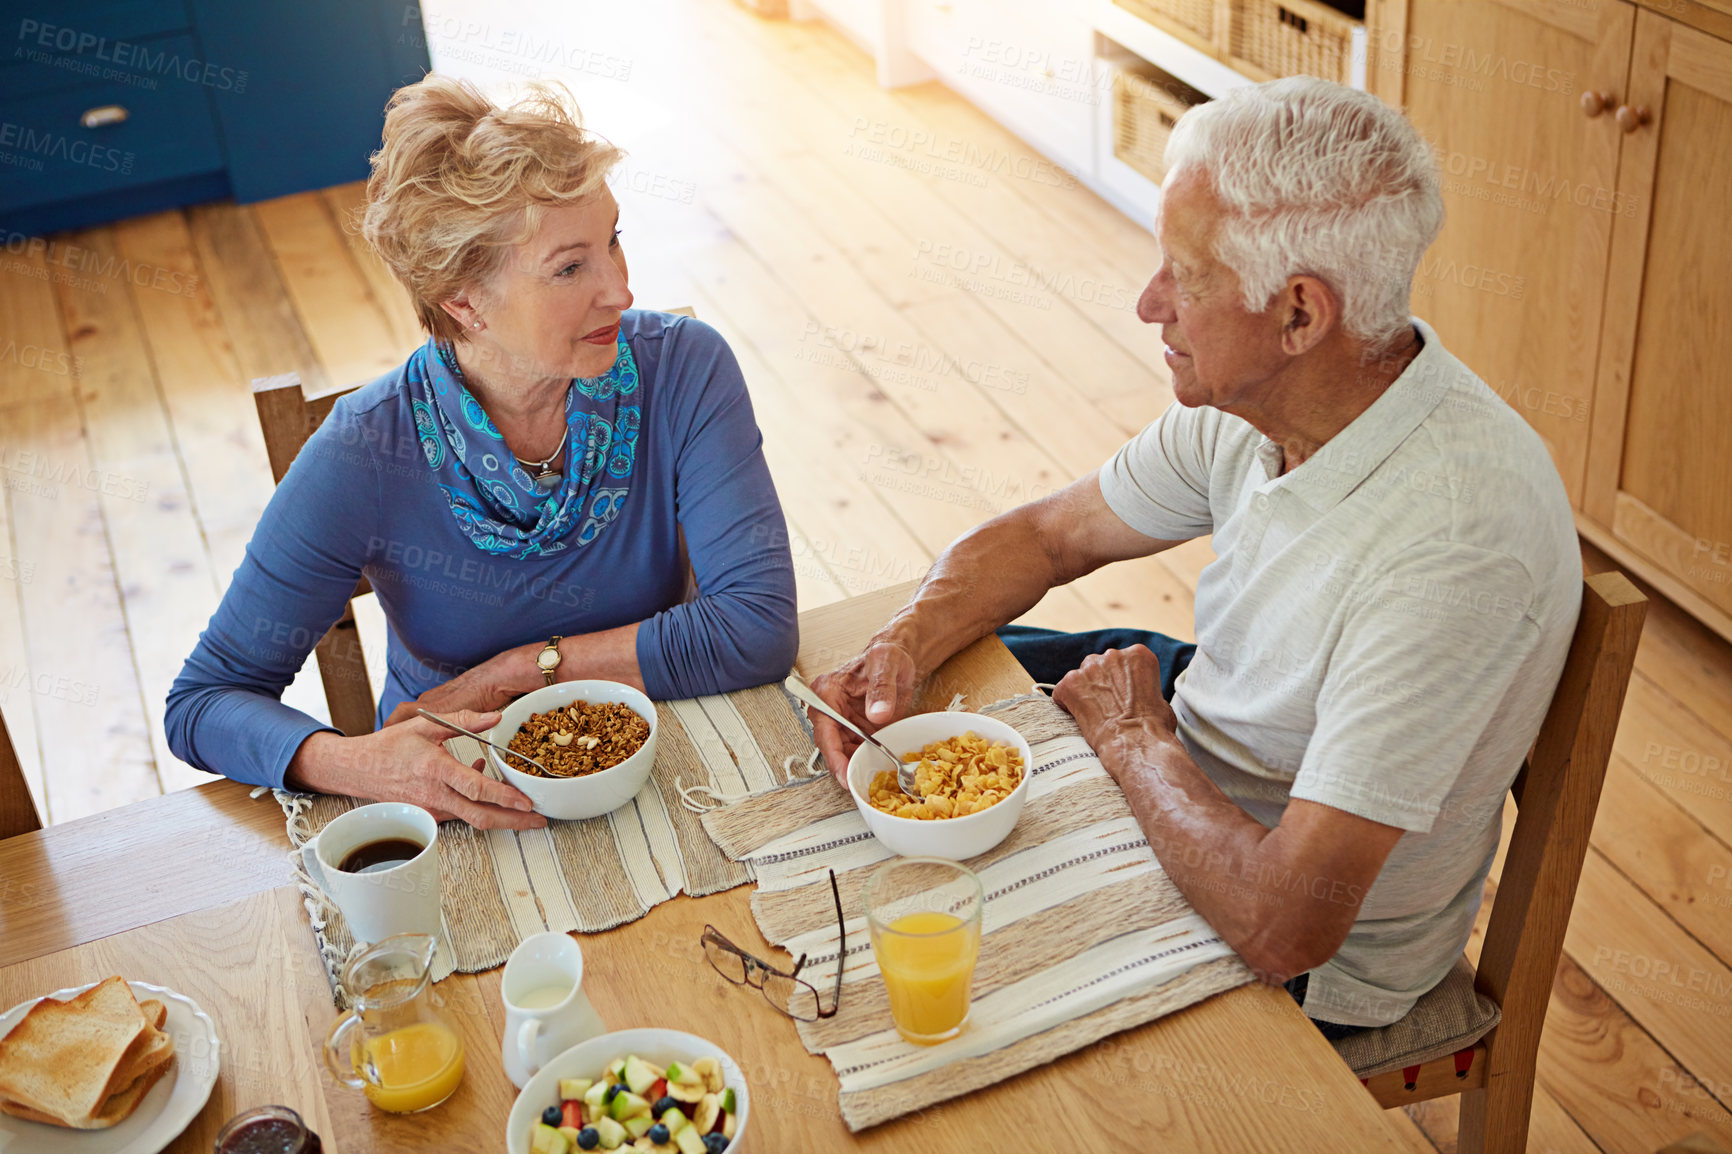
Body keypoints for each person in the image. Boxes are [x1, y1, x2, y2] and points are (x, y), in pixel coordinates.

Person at [808, 77, 1580, 1034]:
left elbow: (1285, 927)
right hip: (1209, 733)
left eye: (1185, 275)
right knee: (935, 683)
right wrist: (906, 642)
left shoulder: (1456, 549)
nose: (1147, 303)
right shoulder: (1276, 401)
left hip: (1309, 952)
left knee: (949, 983)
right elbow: (1048, 536)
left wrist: (1133, 741)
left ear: (1301, 315)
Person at [167, 77, 797, 829]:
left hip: (657, 764)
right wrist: (358, 760)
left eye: (614, 241)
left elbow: (756, 627)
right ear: (464, 302)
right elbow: (203, 702)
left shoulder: (684, 368)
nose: (621, 291)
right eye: (571, 268)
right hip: (454, 796)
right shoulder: (365, 452)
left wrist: (518, 671)